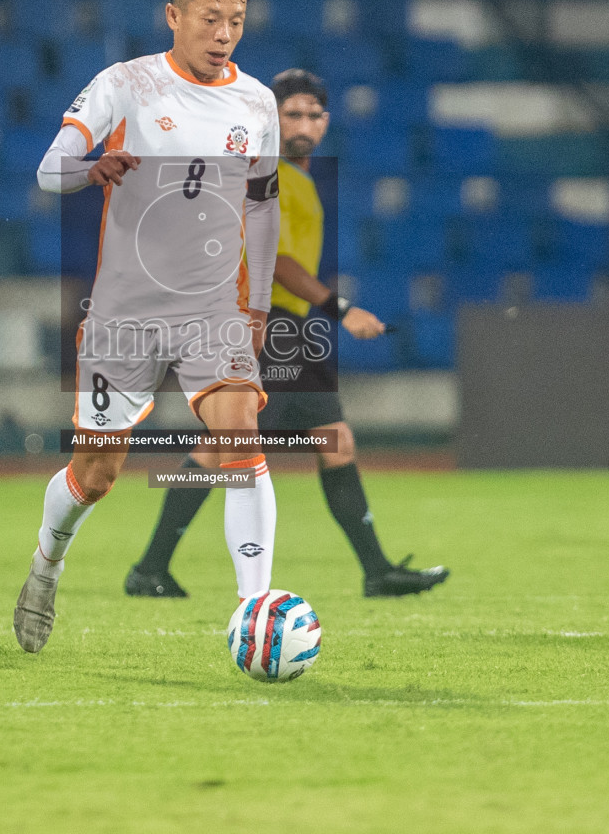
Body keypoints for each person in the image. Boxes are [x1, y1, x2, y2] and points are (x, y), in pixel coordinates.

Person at [16, 0, 281, 653]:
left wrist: (255, 307)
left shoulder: (258, 103)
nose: (224, 32)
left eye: (237, 20)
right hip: (126, 315)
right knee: (95, 476)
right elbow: (49, 171)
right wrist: (91, 165)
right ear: (173, 16)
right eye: (209, 17)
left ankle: (254, 612)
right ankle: (48, 560)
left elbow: (264, 203)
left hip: (212, 311)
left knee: (240, 442)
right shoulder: (125, 85)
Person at [124, 68, 449, 598]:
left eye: (313, 114)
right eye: (291, 113)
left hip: (289, 330)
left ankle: (376, 570)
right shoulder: (269, 174)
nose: (303, 123)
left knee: (334, 442)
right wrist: (339, 307)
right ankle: (150, 567)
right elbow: (273, 261)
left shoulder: (294, 178)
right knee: (223, 450)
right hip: (266, 327)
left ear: (326, 123)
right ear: (269, 118)